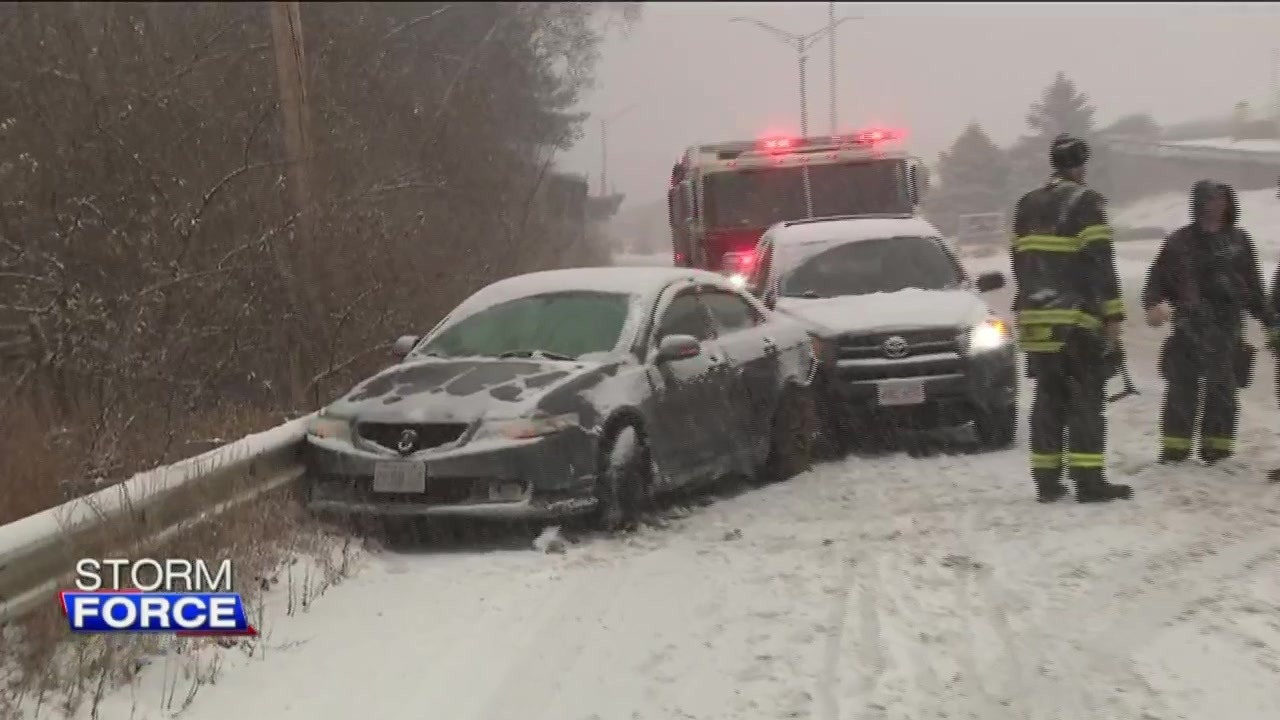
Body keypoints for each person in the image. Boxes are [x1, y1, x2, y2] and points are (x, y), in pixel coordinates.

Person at [1011, 133, 1133, 503]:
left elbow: (1020, 263)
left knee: (1048, 399)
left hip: (1037, 324)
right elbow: (1100, 262)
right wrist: (1112, 316)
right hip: (1076, 322)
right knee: (1085, 401)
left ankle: (1047, 481)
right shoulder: (1086, 203)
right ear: (1081, 164)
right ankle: (1088, 481)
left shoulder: (1027, 204)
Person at [1142, 181, 1278, 465]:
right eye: (1211, 200)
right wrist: (1153, 304)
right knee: (1181, 385)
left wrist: (1268, 319)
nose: (1217, 206)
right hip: (1188, 324)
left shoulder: (1239, 241)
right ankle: (1175, 449)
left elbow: (1253, 285)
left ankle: (1217, 450)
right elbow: (1158, 277)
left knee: (1223, 388)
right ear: (1198, 204)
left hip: (1227, 326)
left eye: (1222, 200)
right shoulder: (1180, 242)